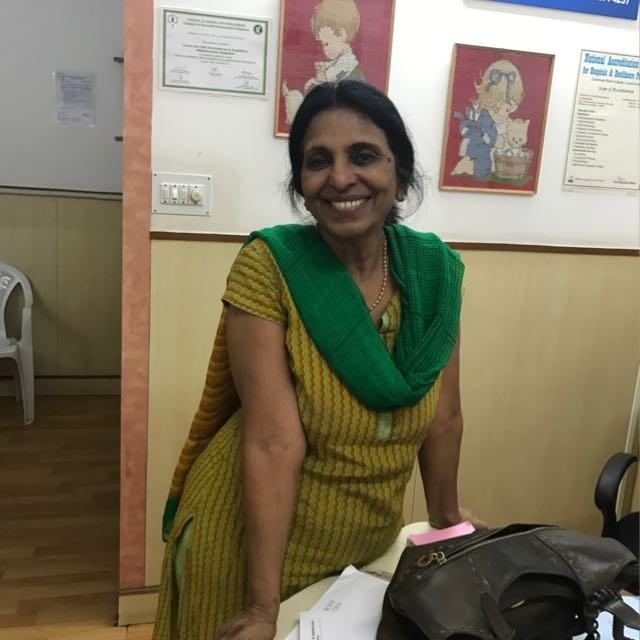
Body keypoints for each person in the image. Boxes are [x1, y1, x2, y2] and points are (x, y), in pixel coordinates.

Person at [153, 80, 484, 640]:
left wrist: (448, 523)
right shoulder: (270, 267)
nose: (340, 178)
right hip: (246, 549)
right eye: (318, 161)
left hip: (363, 551)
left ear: (401, 176)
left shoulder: (435, 273)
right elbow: (272, 441)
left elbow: (443, 417)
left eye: (364, 156)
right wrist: (261, 608)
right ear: (301, 187)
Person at [281, 0, 364, 124]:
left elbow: (327, 107)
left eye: (326, 43)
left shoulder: (348, 71)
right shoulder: (336, 67)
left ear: (342, 34)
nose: (323, 48)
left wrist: (318, 83)